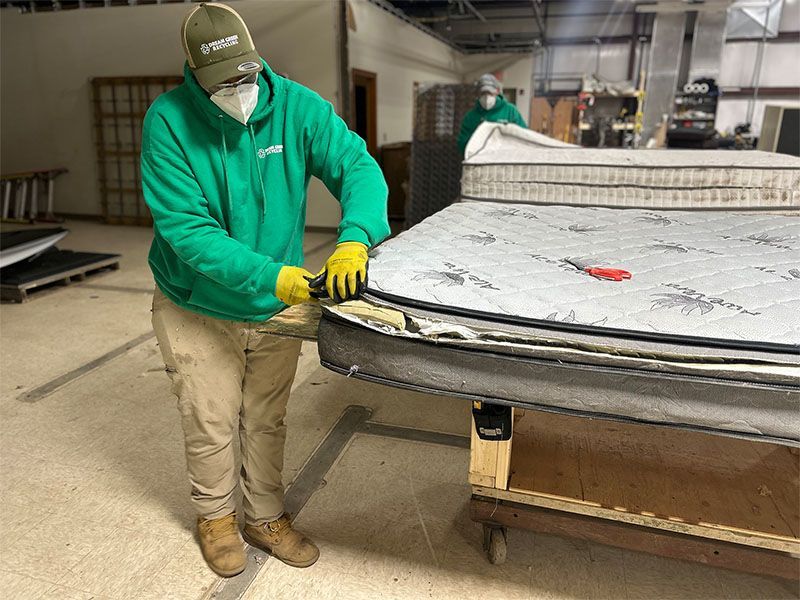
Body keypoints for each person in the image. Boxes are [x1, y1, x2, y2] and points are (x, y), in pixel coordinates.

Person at [141, 2, 389, 577]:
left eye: (245, 74)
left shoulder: (299, 108)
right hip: (195, 302)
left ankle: (265, 516)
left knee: (265, 416)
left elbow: (358, 167)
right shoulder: (169, 122)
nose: (237, 88)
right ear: (195, 77)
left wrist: (355, 238)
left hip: (277, 306)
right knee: (211, 415)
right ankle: (217, 519)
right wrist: (273, 275)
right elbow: (189, 232)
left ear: (257, 61)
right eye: (221, 82)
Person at [457, 73, 527, 156]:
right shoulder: (471, 117)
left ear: (497, 91)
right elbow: (462, 144)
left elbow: (524, 135)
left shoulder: (510, 111)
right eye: (483, 93)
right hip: (479, 160)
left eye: (490, 93)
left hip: (504, 159)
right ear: (478, 94)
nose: (486, 97)